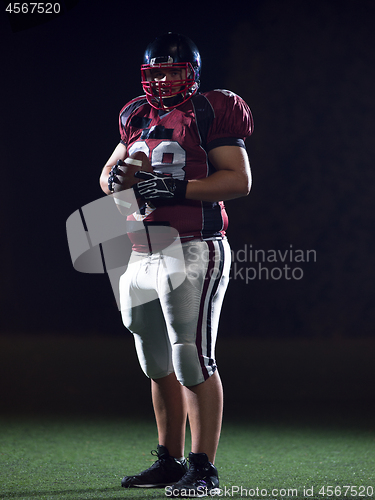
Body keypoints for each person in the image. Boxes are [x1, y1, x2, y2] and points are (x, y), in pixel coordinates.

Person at [99, 32, 253, 496]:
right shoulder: (135, 115)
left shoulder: (209, 110)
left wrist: (176, 190)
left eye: (173, 70)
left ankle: (204, 468)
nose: (163, 80)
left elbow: (239, 180)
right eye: (156, 72)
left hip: (193, 246)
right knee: (155, 359)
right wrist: (118, 179)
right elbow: (108, 177)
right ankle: (169, 460)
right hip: (142, 250)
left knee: (191, 357)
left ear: (192, 72)